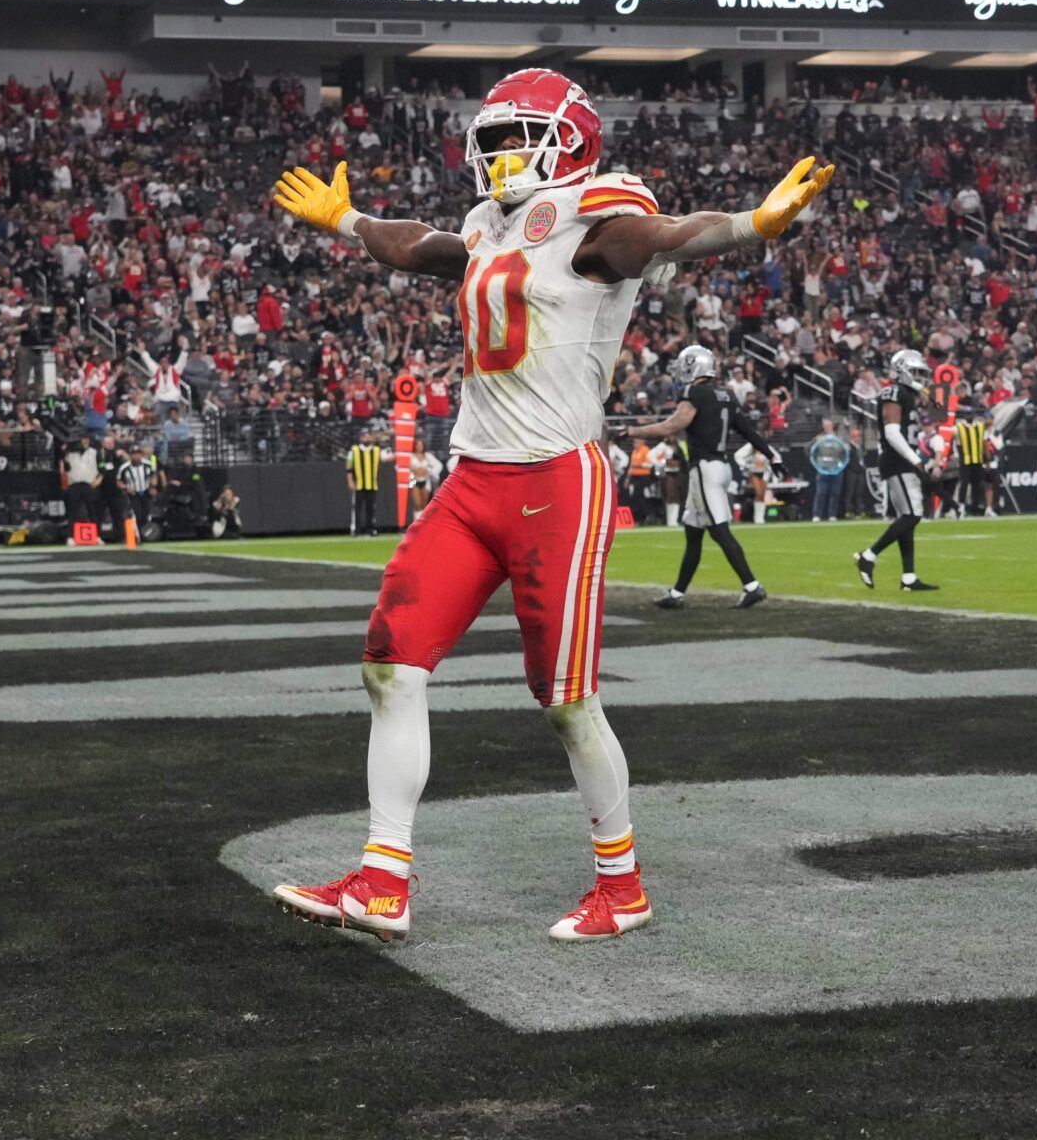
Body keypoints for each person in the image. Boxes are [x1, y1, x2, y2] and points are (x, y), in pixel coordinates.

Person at [266, 67, 833, 943]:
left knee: (566, 700)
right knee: (391, 661)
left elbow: (665, 235)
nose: (497, 154)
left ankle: (623, 886)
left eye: (512, 137)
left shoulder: (596, 227)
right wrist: (345, 220)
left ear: (571, 140)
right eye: (489, 139)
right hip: (471, 481)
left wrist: (752, 224)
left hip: (554, 484)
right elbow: (418, 248)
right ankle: (384, 880)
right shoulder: (490, 227)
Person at [627, 345, 776, 610]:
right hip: (719, 466)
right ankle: (677, 594)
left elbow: (671, 426)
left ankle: (752, 586)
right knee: (693, 534)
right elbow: (749, 432)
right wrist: (774, 456)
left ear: (693, 366)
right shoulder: (727, 394)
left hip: (705, 469)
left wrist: (631, 431)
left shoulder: (693, 393)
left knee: (720, 531)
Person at [854, 349, 939, 592]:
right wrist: (916, 460)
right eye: (916, 373)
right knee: (912, 515)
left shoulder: (907, 394)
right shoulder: (893, 392)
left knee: (908, 518)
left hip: (904, 459)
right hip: (897, 460)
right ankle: (868, 556)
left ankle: (909, 578)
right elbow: (892, 432)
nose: (921, 379)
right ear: (901, 371)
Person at [807, 418, 850, 522]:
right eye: (825, 426)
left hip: (836, 468)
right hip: (822, 469)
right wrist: (816, 462)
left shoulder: (839, 438)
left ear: (832, 425)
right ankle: (817, 514)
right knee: (821, 492)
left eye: (829, 425)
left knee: (835, 492)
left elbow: (846, 450)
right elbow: (809, 449)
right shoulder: (819, 438)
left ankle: (832, 514)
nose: (827, 427)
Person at [345, 430, 383, 536]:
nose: (366, 438)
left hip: (372, 484)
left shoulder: (376, 450)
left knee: (371, 508)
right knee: (357, 508)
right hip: (359, 484)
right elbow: (349, 466)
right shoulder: (354, 450)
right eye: (364, 436)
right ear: (361, 438)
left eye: (368, 436)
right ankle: (356, 529)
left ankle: (371, 529)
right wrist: (350, 480)